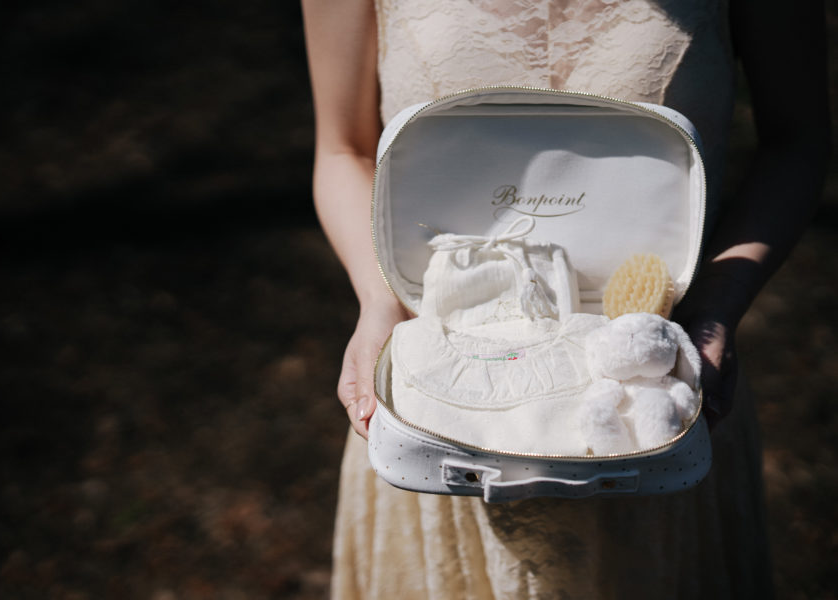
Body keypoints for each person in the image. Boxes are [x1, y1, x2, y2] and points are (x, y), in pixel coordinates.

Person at [301, 0, 830, 597]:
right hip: (429, 399)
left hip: (661, 382)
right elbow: (342, 149)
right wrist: (380, 301)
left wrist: (717, 307)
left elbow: (797, 142)